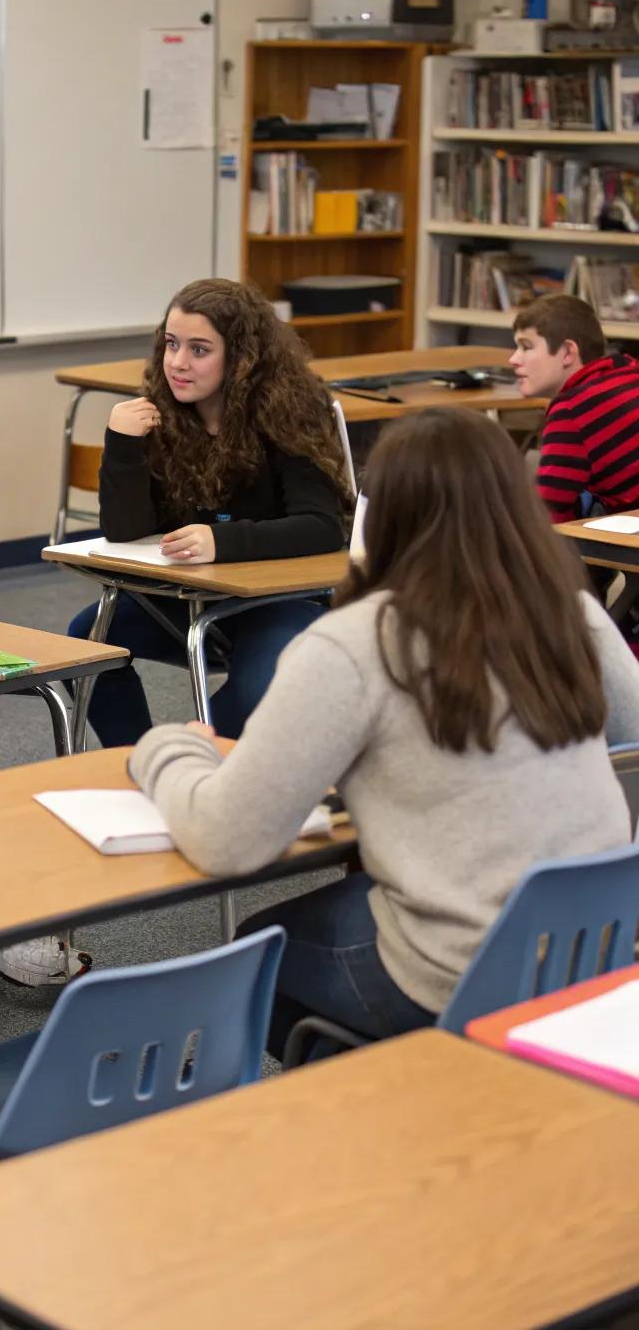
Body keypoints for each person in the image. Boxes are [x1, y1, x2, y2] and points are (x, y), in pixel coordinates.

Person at [129, 408, 639, 1060]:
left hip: (463, 967)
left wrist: (167, 749)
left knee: (255, 953)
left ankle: (386, 1104)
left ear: (382, 515)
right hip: (597, 944)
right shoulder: (572, 615)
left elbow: (226, 840)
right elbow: (633, 745)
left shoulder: (356, 642)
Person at [68, 279, 349, 743]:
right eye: (172, 344)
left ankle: (184, 761)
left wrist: (222, 540)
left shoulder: (287, 416)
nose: (178, 362)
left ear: (241, 358)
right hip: (191, 599)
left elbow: (321, 528)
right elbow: (124, 531)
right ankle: (138, 761)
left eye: (199, 350)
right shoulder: (164, 415)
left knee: (259, 693)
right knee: (86, 640)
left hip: (275, 602)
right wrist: (122, 446)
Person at [510, 293, 639, 523]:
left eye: (526, 347)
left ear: (568, 352)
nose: (513, 359)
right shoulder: (629, 370)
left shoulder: (570, 410)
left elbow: (549, 515)